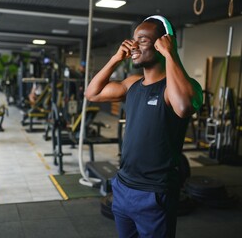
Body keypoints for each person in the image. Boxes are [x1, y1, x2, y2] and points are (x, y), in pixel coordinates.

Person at [85, 15, 203, 238]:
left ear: (162, 43)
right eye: (133, 40)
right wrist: (115, 58)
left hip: (154, 193)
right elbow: (92, 93)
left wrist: (171, 53)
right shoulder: (131, 83)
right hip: (123, 186)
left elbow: (184, 107)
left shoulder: (181, 87)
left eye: (143, 40)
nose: (134, 46)